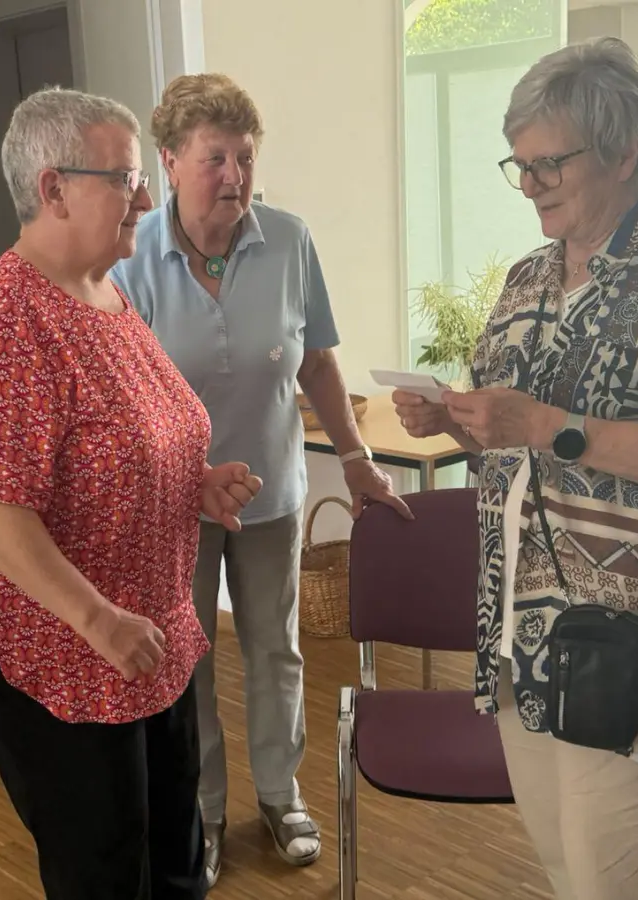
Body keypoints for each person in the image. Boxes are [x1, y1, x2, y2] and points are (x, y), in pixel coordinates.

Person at [393, 38, 638, 900]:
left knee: (616, 881)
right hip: (523, 618)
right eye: (518, 166)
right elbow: (514, 433)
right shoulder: (526, 279)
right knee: (568, 865)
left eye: (549, 163)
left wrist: (548, 425)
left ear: (625, 150)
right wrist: (460, 422)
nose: (530, 185)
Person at [0, 86, 263, 900]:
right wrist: (96, 619)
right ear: (53, 189)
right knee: (107, 875)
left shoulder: (105, 293)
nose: (147, 198)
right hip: (70, 656)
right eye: (125, 178)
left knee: (175, 861)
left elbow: (117, 443)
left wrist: (194, 484)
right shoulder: (5, 317)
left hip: (147, 640)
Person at [112, 72, 408, 887]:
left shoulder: (286, 240)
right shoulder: (131, 258)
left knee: (276, 650)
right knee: (191, 657)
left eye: (244, 157)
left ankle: (281, 797)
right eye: (215, 158)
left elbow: (316, 359)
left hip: (273, 495)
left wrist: (354, 457)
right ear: (169, 161)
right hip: (174, 506)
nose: (234, 175)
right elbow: (120, 389)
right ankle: (202, 810)